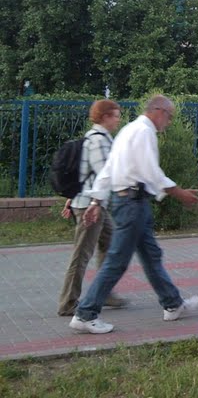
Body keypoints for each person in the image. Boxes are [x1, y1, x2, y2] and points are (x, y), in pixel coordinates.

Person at [69, 95, 198, 334]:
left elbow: (109, 169)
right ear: (159, 111)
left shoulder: (129, 130)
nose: (170, 121)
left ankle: (173, 303)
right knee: (117, 260)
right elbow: (150, 170)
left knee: (151, 255)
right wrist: (179, 192)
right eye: (170, 116)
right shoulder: (143, 132)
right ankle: (85, 314)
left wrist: (97, 200)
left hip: (131, 202)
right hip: (132, 204)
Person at [57, 100, 129, 316]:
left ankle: (104, 292)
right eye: (116, 115)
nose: (118, 120)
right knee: (81, 255)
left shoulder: (100, 138)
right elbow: (104, 174)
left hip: (95, 204)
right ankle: (68, 303)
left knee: (111, 243)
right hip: (90, 206)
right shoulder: (98, 141)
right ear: (105, 117)